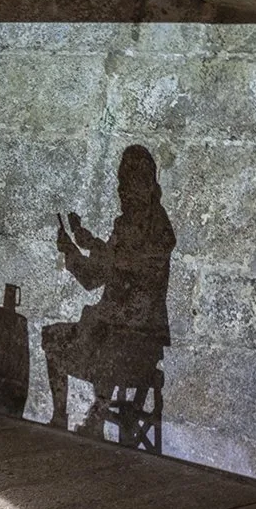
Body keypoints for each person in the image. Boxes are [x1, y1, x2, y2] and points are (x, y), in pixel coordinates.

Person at [42, 144, 176, 434]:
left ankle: (97, 417)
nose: (122, 191)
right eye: (121, 183)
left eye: (129, 183)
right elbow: (97, 276)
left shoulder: (158, 231)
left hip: (139, 338)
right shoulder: (125, 225)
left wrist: (82, 244)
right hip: (114, 326)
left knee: (106, 341)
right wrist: (73, 248)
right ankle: (59, 416)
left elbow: (120, 265)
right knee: (53, 336)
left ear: (148, 185)